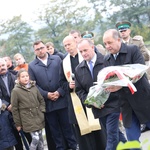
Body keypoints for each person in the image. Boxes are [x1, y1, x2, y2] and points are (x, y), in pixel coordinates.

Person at [74, 39, 126, 150]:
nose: (83, 53)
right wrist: (92, 102)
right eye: (81, 51)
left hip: (113, 104)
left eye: (85, 50)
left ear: (92, 48)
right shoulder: (79, 69)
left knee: (111, 136)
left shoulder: (106, 61)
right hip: (98, 108)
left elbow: (117, 80)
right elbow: (79, 91)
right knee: (116, 134)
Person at [103, 29, 150, 145]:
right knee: (133, 141)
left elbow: (140, 71)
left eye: (110, 43)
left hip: (143, 100)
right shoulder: (107, 59)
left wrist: (120, 85)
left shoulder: (132, 50)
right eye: (105, 44)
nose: (107, 46)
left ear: (118, 40)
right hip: (126, 105)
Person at [28, 40, 78, 150]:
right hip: (48, 104)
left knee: (68, 128)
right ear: (34, 51)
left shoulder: (57, 59)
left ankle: (74, 147)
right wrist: (46, 94)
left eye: (42, 48)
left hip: (62, 100)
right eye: (37, 49)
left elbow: (65, 77)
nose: (40, 50)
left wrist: (59, 92)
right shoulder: (32, 66)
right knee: (55, 132)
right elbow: (33, 85)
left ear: (45, 48)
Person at [59, 35, 106, 150]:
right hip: (76, 100)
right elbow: (61, 82)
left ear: (75, 42)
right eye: (65, 46)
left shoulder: (86, 56)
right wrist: (69, 86)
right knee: (83, 133)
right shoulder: (64, 62)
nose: (67, 47)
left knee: (99, 129)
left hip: (91, 95)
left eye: (69, 44)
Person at [116, 21, 150, 132]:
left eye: (125, 30)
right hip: (125, 80)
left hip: (139, 77)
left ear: (129, 31)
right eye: (121, 31)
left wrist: (136, 53)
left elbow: (146, 56)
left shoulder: (136, 41)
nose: (123, 33)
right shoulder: (117, 44)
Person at [0, 58, 32, 150]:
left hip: (21, 110)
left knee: (29, 136)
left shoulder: (15, 75)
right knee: (16, 139)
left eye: (3, 65)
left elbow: (23, 90)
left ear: (6, 65)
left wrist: (14, 104)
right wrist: (7, 105)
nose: (1, 68)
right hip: (7, 113)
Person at [11, 69, 45, 150]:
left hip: (38, 117)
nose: (25, 78)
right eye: (23, 77)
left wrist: (42, 111)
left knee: (40, 139)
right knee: (35, 138)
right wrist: (18, 124)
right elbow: (14, 109)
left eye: (27, 76)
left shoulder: (34, 87)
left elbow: (41, 100)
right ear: (18, 79)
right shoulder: (16, 91)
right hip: (27, 119)